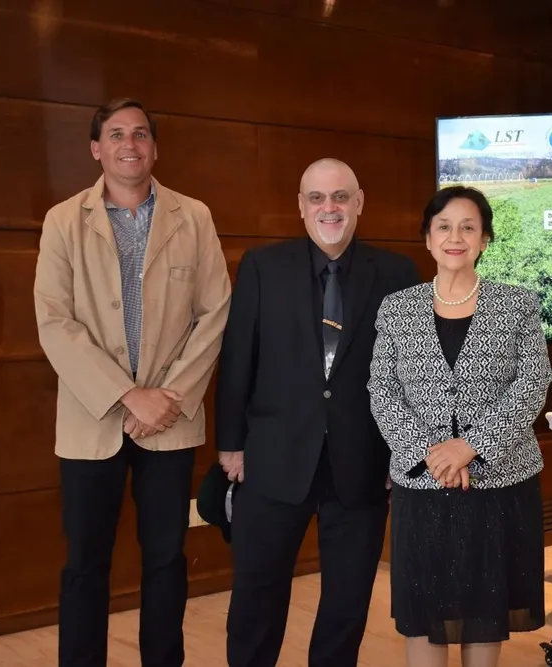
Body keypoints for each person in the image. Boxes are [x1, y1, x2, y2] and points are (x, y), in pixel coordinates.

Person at [33, 98, 232, 667]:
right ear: (96, 149)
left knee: (166, 559)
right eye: (116, 134)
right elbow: (54, 321)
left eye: (140, 134)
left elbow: (215, 312)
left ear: (155, 148)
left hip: (170, 420)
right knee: (85, 563)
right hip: (91, 421)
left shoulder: (194, 217)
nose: (129, 144)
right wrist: (126, 395)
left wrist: (168, 398)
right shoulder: (63, 220)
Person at [214, 157, 421, 667]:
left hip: (363, 465)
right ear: (301, 207)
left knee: (346, 608)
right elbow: (238, 359)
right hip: (272, 461)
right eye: (317, 198)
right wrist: (231, 445)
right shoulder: (262, 266)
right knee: (256, 601)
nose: (330, 208)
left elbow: (413, 374)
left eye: (341, 197)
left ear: (359, 203)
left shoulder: (398, 273)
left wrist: (404, 452)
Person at [367, 186, 552, 667]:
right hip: (422, 486)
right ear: (428, 238)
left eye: (468, 228)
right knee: (423, 610)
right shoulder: (397, 308)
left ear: (484, 239)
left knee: (484, 606)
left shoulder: (517, 304)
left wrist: (470, 446)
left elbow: (533, 383)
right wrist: (433, 456)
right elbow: (381, 390)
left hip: (499, 484)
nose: (456, 237)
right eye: (444, 227)